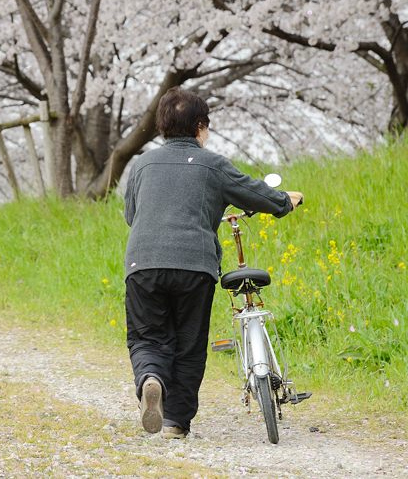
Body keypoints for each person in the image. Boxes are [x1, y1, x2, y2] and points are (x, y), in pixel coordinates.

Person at [123, 87, 303, 439]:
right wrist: (286, 201)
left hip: (143, 263)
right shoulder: (213, 165)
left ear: (161, 127)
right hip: (194, 265)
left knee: (147, 338)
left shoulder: (141, 164)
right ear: (200, 127)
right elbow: (255, 193)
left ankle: (150, 379)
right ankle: (176, 422)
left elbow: (132, 215)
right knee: (189, 343)